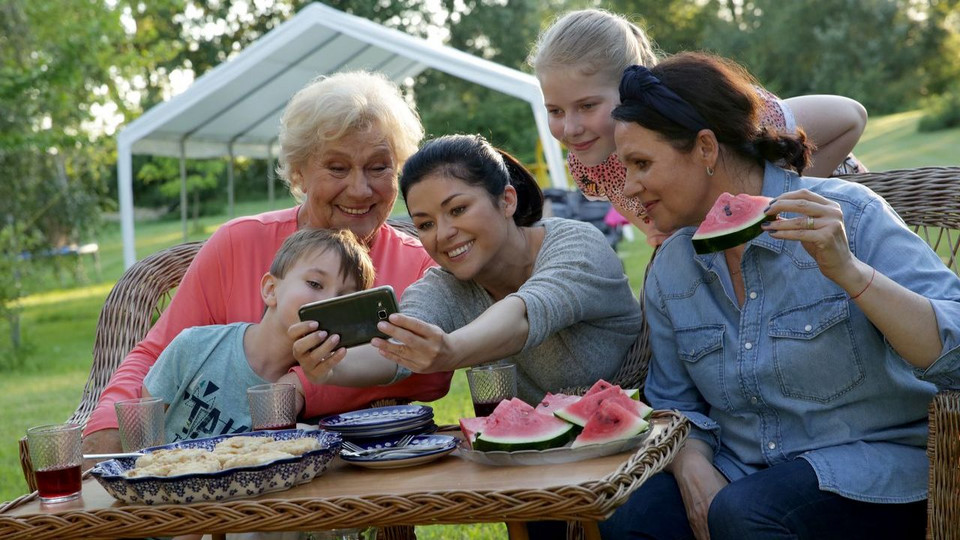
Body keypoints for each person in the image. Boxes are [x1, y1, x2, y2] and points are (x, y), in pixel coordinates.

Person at [602, 52, 960, 539]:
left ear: (705, 148)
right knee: (634, 517)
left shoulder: (850, 216)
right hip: (743, 474)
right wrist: (692, 469)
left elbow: (955, 350)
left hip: (877, 471)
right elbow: (674, 404)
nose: (629, 187)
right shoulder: (671, 267)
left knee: (747, 513)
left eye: (642, 163)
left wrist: (851, 273)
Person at [83, 71, 453, 457]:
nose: (360, 189)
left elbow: (434, 373)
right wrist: (107, 430)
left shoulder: (416, 267)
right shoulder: (237, 244)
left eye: (379, 167)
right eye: (337, 168)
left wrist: (300, 388)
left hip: (341, 475)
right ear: (300, 173)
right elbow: (156, 355)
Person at [529, 8, 869, 247]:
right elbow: (658, 229)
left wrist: (778, 200)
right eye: (555, 110)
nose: (570, 128)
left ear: (631, 86)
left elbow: (849, 116)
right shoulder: (589, 165)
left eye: (587, 106)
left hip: (845, 209)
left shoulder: (704, 115)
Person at [362, 134, 642, 405]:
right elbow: (392, 346)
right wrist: (328, 366)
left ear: (507, 200)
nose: (443, 234)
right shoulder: (446, 285)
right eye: (426, 224)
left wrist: (452, 350)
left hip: (653, 427)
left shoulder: (578, 246)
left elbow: (525, 313)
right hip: (541, 449)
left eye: (458, 209)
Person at [141, 227, 407, 443]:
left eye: (343, 298)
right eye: (315, 284)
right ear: (270, 289)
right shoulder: (195, 346)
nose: (326, 301)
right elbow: (144, 439)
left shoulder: (328, 377)